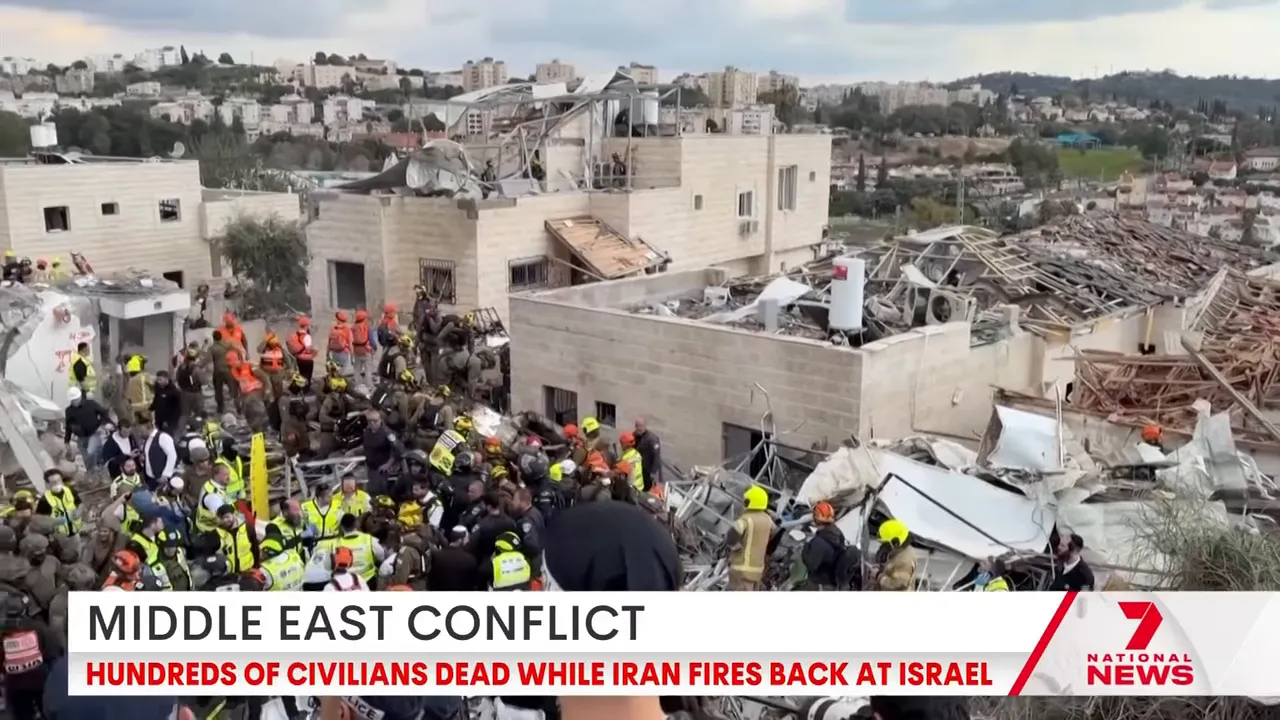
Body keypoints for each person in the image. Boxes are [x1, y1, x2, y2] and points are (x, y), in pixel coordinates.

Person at [726, 485, 774, 590]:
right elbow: (772, 536)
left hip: (741, 569)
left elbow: (731, 537)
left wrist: (733, 546)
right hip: (758, 570)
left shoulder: (745, 520)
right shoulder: (768, 520)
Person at [801, 501, 846, 590]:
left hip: (819, 584)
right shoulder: (838, 534)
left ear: (816, 518)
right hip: (832, 583)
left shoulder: (820, 541)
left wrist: (805, 549)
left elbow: (811, 564)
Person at [63, 387, 108, 471]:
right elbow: (68, 426)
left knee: (91, 451)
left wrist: (102, 425)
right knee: (86, 458)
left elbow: (104, 413)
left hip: (94, 433)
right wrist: (66, 441)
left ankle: (99, 466)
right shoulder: (69, 411)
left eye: (76, 399)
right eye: (73, 400)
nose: (75, 402)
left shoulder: (91, 404)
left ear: (80, 397)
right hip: (81, 437)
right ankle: (92, 472)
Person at [362, 409, 404, 496]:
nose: (372, 424)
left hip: (382, 468)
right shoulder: (367, 432)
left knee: (379, 493)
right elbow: (367, 446)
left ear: (380, 419)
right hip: (370, 467)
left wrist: (389, 464)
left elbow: (398, 448)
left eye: (375, 421)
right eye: (370, 421)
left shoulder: (387, 433)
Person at [36, 469, 82, 536]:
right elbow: (40, 519)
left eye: (59, 481)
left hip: (79, 530)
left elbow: (79, 503)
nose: (57, 484)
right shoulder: (44, 500)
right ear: (47, 484)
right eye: (53, 482)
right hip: (61, 536)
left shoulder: (70, 490)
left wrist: (79, 512)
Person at [874, 518, 917, 591]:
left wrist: (878, 575)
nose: (882, 547)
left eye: (885, 544)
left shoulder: (904, 561)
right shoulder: (897, 552)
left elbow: (897, 585)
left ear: (895, 542)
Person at [142, 422, 178, 491]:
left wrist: (166, 474)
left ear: (148, 428)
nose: (140, 433)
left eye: (141, 431)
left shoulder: (163, 437)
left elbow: (172, 455)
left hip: (160, 477)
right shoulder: (148, 438)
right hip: (149, 477)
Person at [174, 347, 203, 432]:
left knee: (184, 414)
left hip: (184, 393)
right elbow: (203, 381)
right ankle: (198, 429)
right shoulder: (196, 369)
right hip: (196, 393)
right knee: (198, 413)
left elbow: (177, 378)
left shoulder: (181, 368)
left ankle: (182, 430)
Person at [123, 354, 153, 428]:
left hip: (132, 406)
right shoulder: (145, 376)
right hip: (144, 406)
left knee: (136, 425)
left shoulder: (127, 377)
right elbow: (155, 385)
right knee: (147, 425)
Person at [633, 416, 662, 491]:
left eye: (640, 426)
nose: (638, 428)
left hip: (647, 469)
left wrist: (653, 472)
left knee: (646, 488)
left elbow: (656, 456)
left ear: (645, 426)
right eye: (636, 426)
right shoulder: (634, 436)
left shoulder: (652, 438)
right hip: (637, 468)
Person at [287, 316, 317, 384]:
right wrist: (315, 351)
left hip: (297, 357)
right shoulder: (307, 336)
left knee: (300, 375)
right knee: (307, 376)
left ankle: (295, 390)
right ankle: (305, 390)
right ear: (307, 325)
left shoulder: (295, 334)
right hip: (306, 359)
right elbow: (308, 349)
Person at [351, 309, 375, 384]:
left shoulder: (353, 327)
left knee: (357, 369)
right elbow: (371, 340)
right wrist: (374, 347)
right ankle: (369, 385)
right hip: (366, 350)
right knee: (367, 369)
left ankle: (356, 384)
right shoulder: (367, 327)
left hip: (357, 351)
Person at [328, 311, 353, 375]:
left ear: (337, 319)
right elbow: (350, 343)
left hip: (334, 352)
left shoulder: (333, 327)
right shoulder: (347, 329)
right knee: (341, 372)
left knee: (335, 370)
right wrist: (352, 356)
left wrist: (327, 352)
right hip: (344, 352)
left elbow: (329, 340)